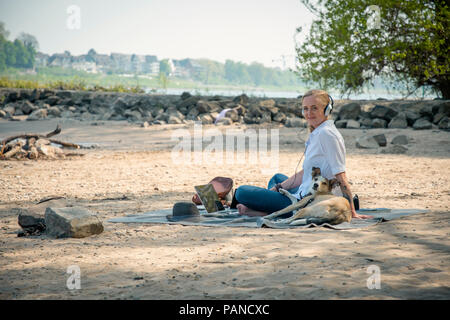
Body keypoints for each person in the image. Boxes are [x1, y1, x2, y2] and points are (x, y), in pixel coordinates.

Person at [235, 89, 373, 220]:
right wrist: (277, 189)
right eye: (305, 108)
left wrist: (352, 212)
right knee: (277, 179)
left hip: (311, 202)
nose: (309, 113)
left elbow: (341, 175)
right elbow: (305, 173)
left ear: (327, 110)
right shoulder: (318, 132)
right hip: (307, 190)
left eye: (314, 108)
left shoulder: (327, 134)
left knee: (241, 192)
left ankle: (271, 211)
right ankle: (266, 208)